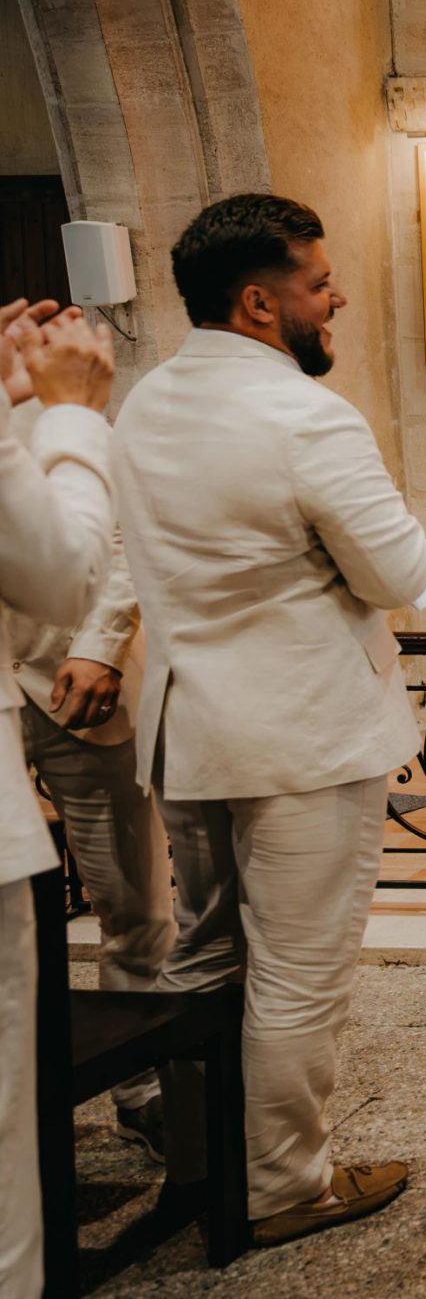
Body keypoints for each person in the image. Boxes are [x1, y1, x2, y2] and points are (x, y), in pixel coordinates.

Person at [116, 193, 426, 1247]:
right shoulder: (305, 414)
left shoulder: (145, 403)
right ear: (258, 303)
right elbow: (396, 569)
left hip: (191, 729)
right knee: (299, 976)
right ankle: (285, 1187)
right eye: (315, 281)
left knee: (204, 960)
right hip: (303, 734)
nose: (333, 294)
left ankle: (205, 1169)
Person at [7, 387, 172, 1160]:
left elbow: (123, 535)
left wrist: (102, 641)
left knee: (133, 902)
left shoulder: (62, 407)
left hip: (72, 683)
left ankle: (143, 1093)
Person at [0, 298, 119, 1299]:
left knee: (138, 909)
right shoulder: (55, 408)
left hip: (78, 705)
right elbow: (62, 567)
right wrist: (69, 414)